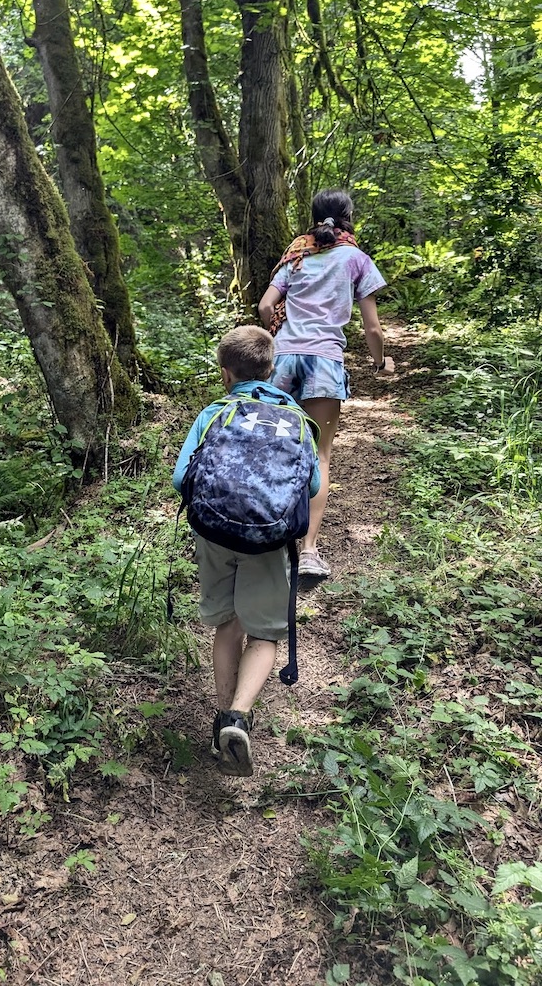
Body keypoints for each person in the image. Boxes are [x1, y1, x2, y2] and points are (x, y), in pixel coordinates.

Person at [172, 326, 321, 777]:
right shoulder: (296, 419)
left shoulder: (217, 412)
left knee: (228, 623)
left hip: (214, 536)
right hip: (269, 541)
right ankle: (239, 716)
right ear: (272, 368)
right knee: (264, 634)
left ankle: (220, 715)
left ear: (225, 372)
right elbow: (311, 486)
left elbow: (182, 480)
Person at [258, 188, 395, 581]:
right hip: (323, 362)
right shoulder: (356, 259)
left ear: (314, 216)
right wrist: (380, 361)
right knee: (319, 454)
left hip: (282, 360)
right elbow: (372, 327)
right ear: (349, 216)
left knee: (277, 447)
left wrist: (278, 331)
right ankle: (310, 552)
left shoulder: (296, 255)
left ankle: (268, 537)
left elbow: (267, 305)